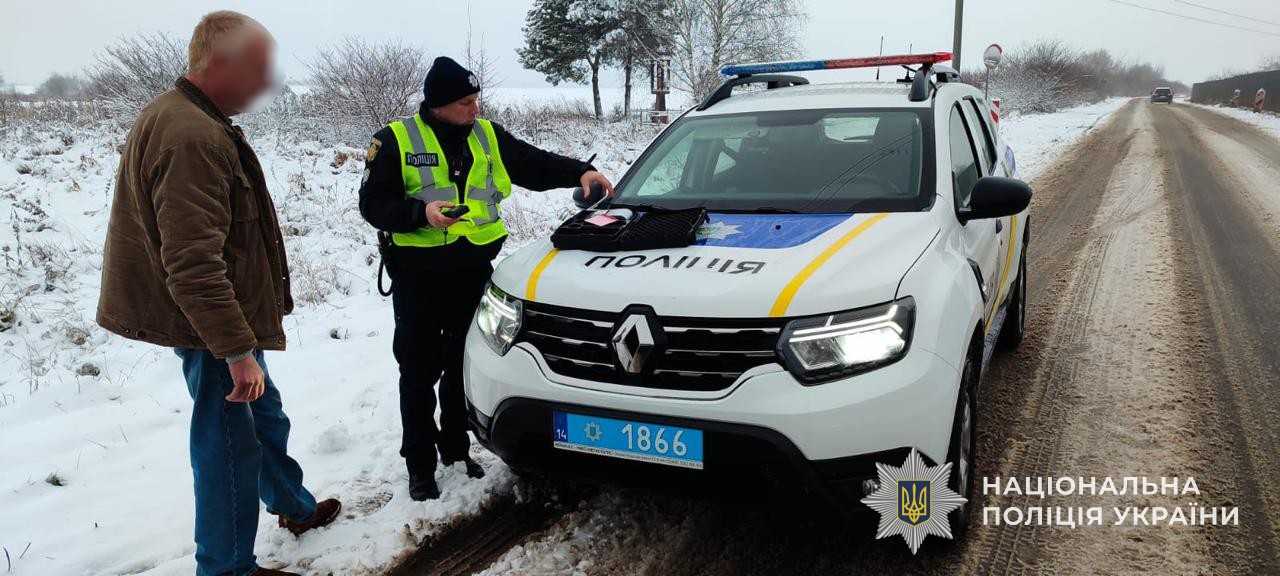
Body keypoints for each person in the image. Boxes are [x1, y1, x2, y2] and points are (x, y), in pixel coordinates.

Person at [96, 11, 340, 576]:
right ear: (220, 63)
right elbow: (192, 263)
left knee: (264, 416)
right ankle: (227, 568)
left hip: (225, 318)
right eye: (258, 69)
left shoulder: (187, 115)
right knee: (230, 444)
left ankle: (293, 505)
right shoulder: (192, 135)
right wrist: (234, 351)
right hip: (210, 325)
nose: (267, 83)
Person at [359, 56, 614, 500]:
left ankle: (456, 451)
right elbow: (372, 204)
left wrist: (579, 171)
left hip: (472, 272)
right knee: (418, 371)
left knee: (462, 363)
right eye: (465, 102)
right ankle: (419, 465)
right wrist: (420, 213)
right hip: (418, 276)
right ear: (438, 104)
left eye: (476, 99)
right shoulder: (395, 140)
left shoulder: (487, 134)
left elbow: (532, 164)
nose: (475, 108)